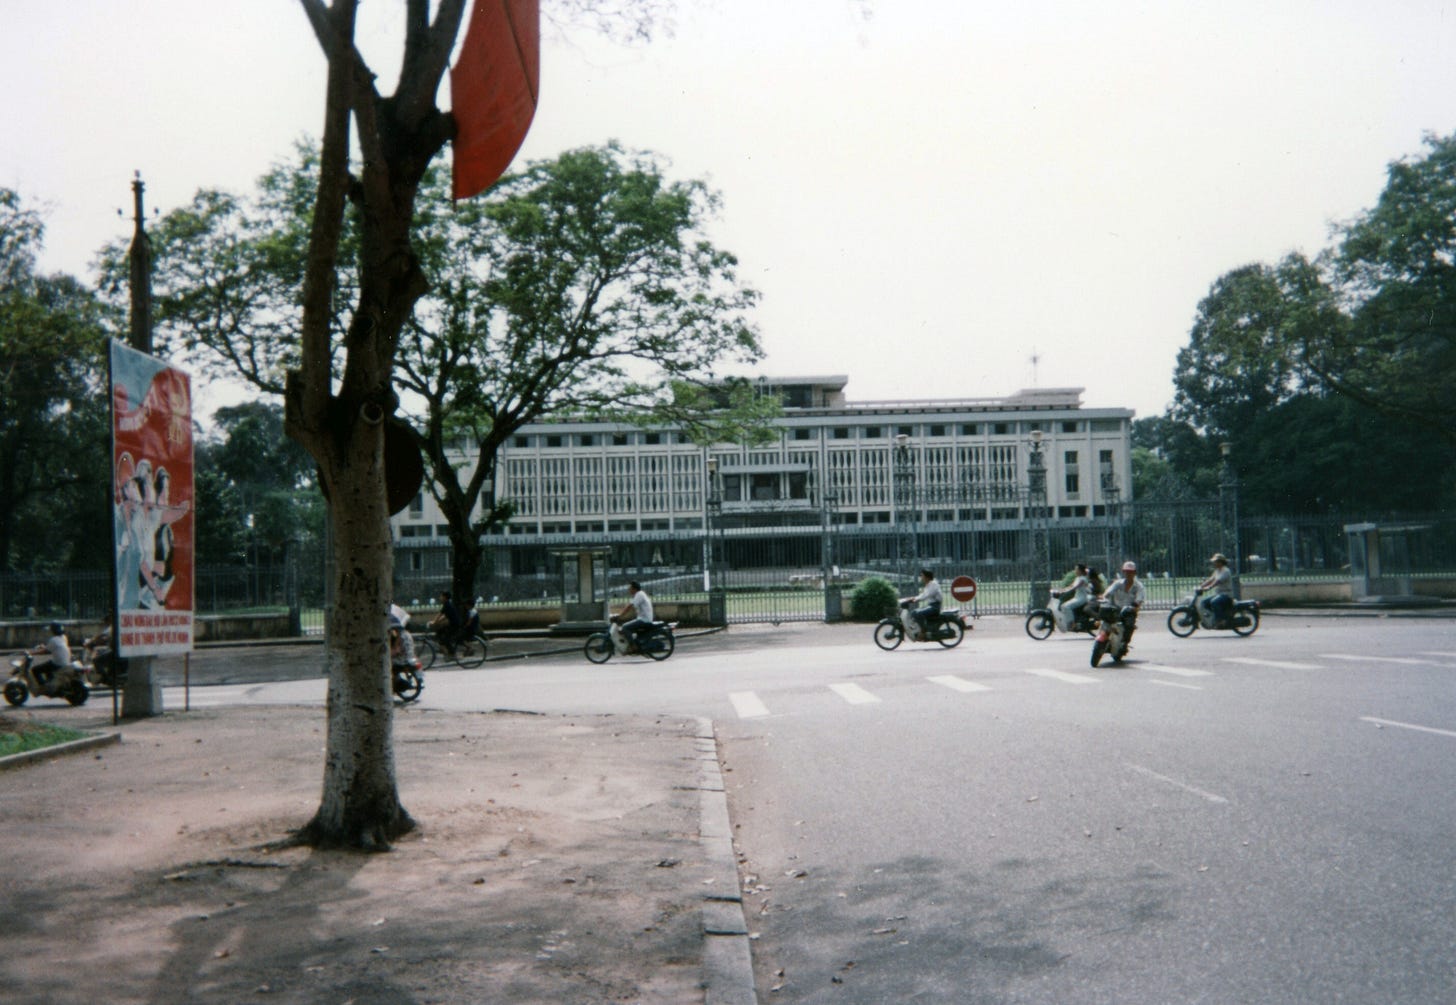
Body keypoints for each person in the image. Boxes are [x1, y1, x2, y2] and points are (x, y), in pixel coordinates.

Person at [1101, 561, 1146, 648]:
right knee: (1104, 619)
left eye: (1130, 572)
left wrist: (1135, 606)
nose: (1128, 574)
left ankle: (1124, 643)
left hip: (1128, 611)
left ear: (1134, 573)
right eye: (1126, 571)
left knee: (1129, 625)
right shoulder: (1118, 583)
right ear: (1123, 572)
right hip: (1115, 609)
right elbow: (1108, 592)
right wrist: (1104, 597)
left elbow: (1139, 600)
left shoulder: (1138, 586)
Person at [29, 622, 74, 690]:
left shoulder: (53, 640)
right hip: (66, 662)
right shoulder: (64, 637)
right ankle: (50, 683)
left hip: (57, 663)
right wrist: (44, 646)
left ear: (53, 631)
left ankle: (43, 687)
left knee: (35, 670)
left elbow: (45, 651)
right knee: (48, 666)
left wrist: (32, 653)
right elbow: (54, 647)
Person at [904, 568, 943, 639]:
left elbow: (927, 595)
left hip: (935, 607)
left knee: (918, 613)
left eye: (922, 576)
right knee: (914, 612)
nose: (921, 577)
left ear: (927, 577)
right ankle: (918, 629)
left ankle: (923, 631)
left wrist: (916, 599)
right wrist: (914, 598)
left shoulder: (933, 584)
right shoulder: (929, 584)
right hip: (931, 606)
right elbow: (923, 594)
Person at [615, 581, 654, 651]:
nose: (629, 590)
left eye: (630, 588)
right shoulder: (638, 594)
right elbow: (630, 604)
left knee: (625, 627)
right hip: (643, 619)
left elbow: (630, 606)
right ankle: (633, 642)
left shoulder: (639, 595)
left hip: (644, 620)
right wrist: (620, 614)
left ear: (634, 589)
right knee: (627, 626)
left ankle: (633, 646)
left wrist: (620, 616)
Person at [1198, 553, 1235, 626]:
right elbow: (1211, 580)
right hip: (1219, 594)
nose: (1214, 563)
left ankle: (1220, 620)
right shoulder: (1217, 570)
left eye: (1216, 561)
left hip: (1226, 594)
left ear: (1220, 562)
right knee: (1204, 602)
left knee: (1214, 602)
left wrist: (1209, 587)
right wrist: (1201, 586)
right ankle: (1213, 617)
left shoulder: (1225, 571)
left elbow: (1217, 581)